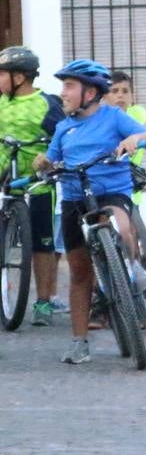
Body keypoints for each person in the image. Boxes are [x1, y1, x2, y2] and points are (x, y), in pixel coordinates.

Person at [41, 59, 146, 365]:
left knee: (121, 224)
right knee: (80, 272)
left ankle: (132, 270)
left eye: (69, 86)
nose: (63, 93)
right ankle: (79, 341)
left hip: (111, 191)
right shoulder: (63, 128)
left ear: (90, 92)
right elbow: (51, 160)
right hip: (74, 198)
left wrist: (136, 138)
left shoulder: (113, 117)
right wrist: (43, 164)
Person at [0, 46, 64, 326]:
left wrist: (50, 158)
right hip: (5, 175)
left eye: (2, 74)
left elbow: (63, 137)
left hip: (38, 180)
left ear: (20, 78)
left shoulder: (46, 104)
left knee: (42, 242)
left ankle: (44, 301)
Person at [105, 70, 146, 203]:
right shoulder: (100, 117)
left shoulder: (137, 112)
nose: (120, 95)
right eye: (114, 91)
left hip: (129, 190)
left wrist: (138, 135)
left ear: (132, 97)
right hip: (104, 186)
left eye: (125, 91)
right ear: (104, 96)